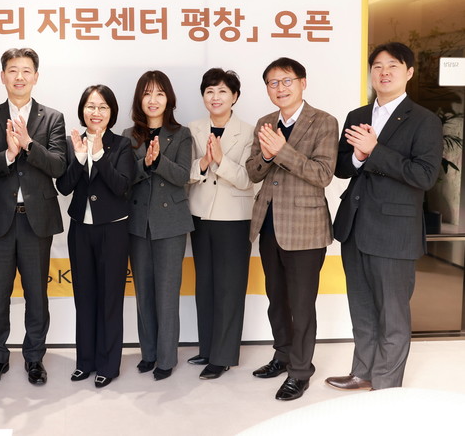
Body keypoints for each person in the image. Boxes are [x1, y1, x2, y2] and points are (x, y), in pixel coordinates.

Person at [326, 42, 442, 391]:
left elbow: (424, 176)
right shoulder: (357, 115)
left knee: (392, 313)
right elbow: (342, 166)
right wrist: (358, 157)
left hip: (394, 230)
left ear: (409, 72)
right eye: (377, 66)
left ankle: (387, 385)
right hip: (355, 226)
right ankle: (362, 372)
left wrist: (375, 151)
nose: (384, 72)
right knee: (361, 308)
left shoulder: (424, 120)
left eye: (393, 65)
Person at [0, 47, 66, 386]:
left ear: (36, 77)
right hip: (0, 219)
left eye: (26, 71)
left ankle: (34, 358)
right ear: (3, 76)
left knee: (36, 294)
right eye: (13, 70)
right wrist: (8, 155)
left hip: (36, 220)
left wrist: (28, 145)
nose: (19, 77)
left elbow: (59, 166)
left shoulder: (52, 118)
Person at [246, 57, 338, 401]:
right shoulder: (265, 122)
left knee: (301, 304)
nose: (280, 88)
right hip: (268, 224)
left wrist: (282, 151)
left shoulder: (324, 122)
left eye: (287, 81)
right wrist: (268, 156)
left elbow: (323, 174)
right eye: (273, 83)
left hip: (305, 228)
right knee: (277, 299)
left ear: (303, 83)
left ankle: (300, 371)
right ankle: (282, 355)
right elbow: (253, 172)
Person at [55, 84, 134, 388]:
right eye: (90, 106)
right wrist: (79, 158)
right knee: (84, 297)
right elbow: (64, 187)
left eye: (102, 107)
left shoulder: (122, 144)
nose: (96, 112)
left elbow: (121, 186)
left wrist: (99, 155)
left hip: (113, 229)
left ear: (111, 112)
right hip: (80, 229)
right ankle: (84, 362)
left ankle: (108, 365)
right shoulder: (71, 142)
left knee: (110, 299)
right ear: (82, 110)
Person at [123, 70, 194, 381]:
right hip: (138, 223)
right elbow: (125, 178)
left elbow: (182, 176)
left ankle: (166, 358)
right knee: (144, 292)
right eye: (147, 93)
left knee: (167, 293)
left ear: (169, 99)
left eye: (160, 93)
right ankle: (148, 353)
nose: (153, 100)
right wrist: (145, 164)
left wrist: (159, 161)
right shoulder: (128, 135)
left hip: (171, 224)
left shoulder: (181, 134)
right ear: (140, 99)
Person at [186, 68, 254, 380]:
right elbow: (184, 175)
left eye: (223, 91)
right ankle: (207, 348)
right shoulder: (193, 129)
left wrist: (220, 161)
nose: (216, 97)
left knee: (230, 288)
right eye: (210, 91)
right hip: (200, 215)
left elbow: (249, 179)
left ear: (235, 97)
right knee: (205, 285)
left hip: (234, 219)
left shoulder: (249, 131)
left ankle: (223, 356)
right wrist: (202, 163)